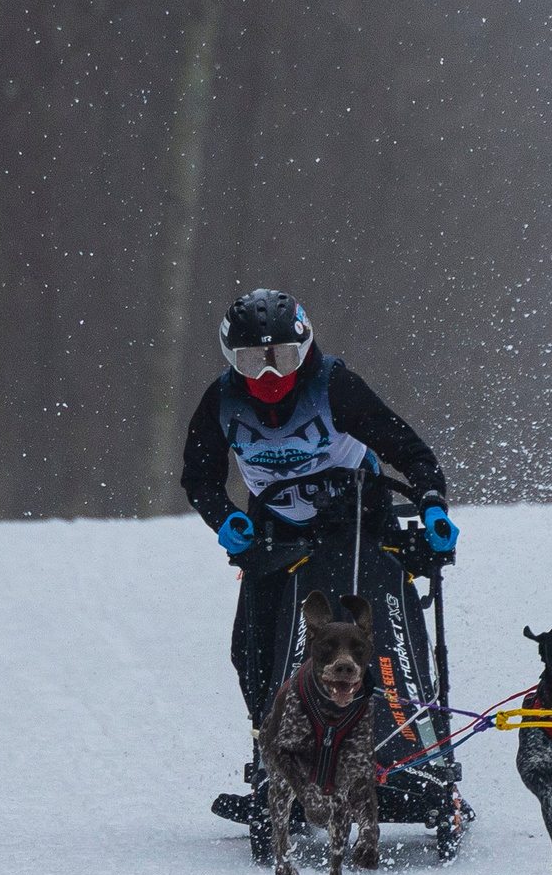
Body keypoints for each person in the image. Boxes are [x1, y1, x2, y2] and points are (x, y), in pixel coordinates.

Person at [185, 289, 457, 824]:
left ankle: (409, 757)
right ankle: (276, 759)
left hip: (359, 523)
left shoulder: (334, 385)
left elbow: (411, 451)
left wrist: (431, 506)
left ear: (305, 347)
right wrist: (226, 521)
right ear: (230, 360)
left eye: (283, 357)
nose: (269, 376)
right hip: (275, 539)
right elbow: (198, 478)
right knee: (252, 653)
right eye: (252, 361)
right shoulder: (220, 402)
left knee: (371, 645)